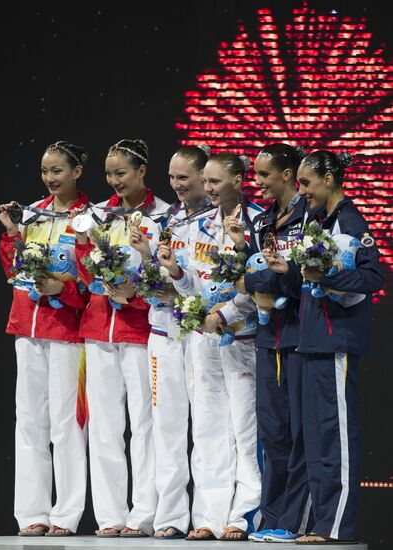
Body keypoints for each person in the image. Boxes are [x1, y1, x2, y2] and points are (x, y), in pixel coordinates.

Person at [264, 150, 383, 544]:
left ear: (329, 180)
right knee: (316, 438)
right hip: (311, 339)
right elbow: (311, 279)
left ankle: (335, 527)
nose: (301, 191)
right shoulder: (316, 222)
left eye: (306, 183)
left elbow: (372, 276)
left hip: (337, 342)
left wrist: (329, 276)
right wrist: (289, 271)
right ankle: (316, 522)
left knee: (337, 438)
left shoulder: (350, 221)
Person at [159, 152, 263, 541]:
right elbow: (192, 290)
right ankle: (209, 515)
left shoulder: (258, 223)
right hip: (204, 342)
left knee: (245, 431)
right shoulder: (198, 226)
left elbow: (259, 286)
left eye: (215, 182)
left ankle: (242, 515)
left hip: (244, 340)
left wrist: (225, 315)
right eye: (206, 182)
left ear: (238, 179)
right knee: (207, 429)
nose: (208, 189)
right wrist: (175, 271)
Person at [73, 139, 168, 538]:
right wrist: (82, 247)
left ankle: (143, 514)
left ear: (142, 170)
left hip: (140, 330)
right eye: (109, 174)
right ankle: (110, 515)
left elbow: (164, 272)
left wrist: (137, 296)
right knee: (104, 425)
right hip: (98, 329)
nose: (114, 181)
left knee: (145, 424)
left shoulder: (165, 214)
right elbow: (85, 274)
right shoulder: (97, 214)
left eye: (121, 173)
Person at [0, 141, 90, 537]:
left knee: (66, 425)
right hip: (27, 328)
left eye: (58, 171)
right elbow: (13, 270)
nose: (50, 179)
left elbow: (91, 279)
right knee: (29, 423)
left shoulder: (90, 218)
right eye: (45, 171)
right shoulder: (31, 214)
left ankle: (65, 515)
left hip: (67, 331)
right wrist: (12, 234)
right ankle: (31, 512)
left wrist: (62, 290)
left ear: (77, 172)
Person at [221, 143, 313, 543]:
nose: (256, 182)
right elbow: (247, 276)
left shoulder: (311, 217)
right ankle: (273, 517)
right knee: (272, 433)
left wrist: (262, 280)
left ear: (288, 174)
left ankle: (297, 520)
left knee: (298, 434)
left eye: (263, 175)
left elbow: (297, 277)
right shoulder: (263, 222)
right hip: (267, 336)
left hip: (301, 336)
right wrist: (243, 252)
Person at [130, 144, 210, 539]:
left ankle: (210, 516)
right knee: (167, 427)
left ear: (203, 177)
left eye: (185, 178)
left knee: (209, 426)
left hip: (201, 334)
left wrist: (181, 291)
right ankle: (170, 516)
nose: (177, 185)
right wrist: (145, 257)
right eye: (173, 177)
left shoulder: (218, 222)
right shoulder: (167, 220)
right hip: (163, 332)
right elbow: (155, 274)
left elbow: (210, 280)